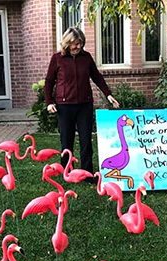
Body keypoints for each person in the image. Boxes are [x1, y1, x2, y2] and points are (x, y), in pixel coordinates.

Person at [44, 27, 120, 180]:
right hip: (64, 106)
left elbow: (97, 77)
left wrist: (108, 94)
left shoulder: (86, 57)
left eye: (81, 43)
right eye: (75, 44)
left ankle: (87, 173)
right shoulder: (57, 58)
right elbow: (49, 81)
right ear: (67, 43)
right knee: (66, 140)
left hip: (84, 105)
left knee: (86, 140)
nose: (79, 47)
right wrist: (49, 102)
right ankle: (67, 172)